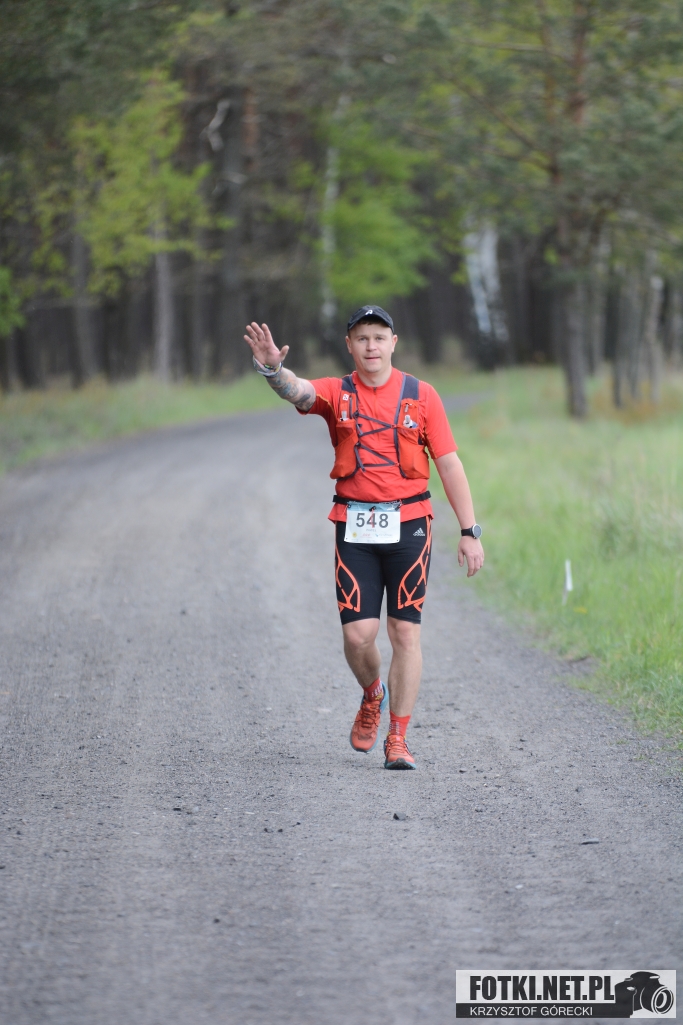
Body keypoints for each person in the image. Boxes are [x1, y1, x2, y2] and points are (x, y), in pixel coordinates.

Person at [244, 305, 484, 770]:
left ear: (393, 343)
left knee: (404, 632)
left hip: (411, 525)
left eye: (378, 337)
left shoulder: (422, 396)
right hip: (355, 525)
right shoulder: (338, 393)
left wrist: (469, 530)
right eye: (361, 338)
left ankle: (398, 738)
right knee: (358, 636)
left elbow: (449, 463)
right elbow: (298, 389)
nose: (371, 346)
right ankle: (372, 694)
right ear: (349, 346)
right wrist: (273, 369)